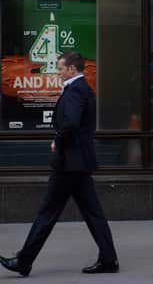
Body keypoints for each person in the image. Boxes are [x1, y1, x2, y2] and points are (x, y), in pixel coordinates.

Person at [0, 52, 119, 277]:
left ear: (72, 69)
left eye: (61, 68)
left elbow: (71, 123)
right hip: (78, 162)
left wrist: (58, 141)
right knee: (93, 213)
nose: (58, 71)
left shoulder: (75, 91)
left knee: (47, 212)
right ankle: (109, 259)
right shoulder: (83, 88)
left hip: (69, 162)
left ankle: (23, 261)